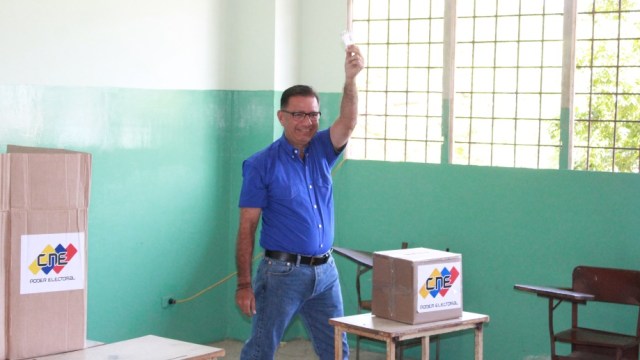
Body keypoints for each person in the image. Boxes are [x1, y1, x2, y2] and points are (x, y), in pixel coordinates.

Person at [234, 44, 364, 360]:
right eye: (298, 114)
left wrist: (350, 79)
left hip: (325, 272)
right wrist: (244, 284)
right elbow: (247, 228)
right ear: (282, 117)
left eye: (313, 114)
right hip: (282, 274)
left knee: (337, 350)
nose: (307, 122)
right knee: (262, 348)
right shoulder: (261, 164)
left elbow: (347, 123)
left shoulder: (322, 149)